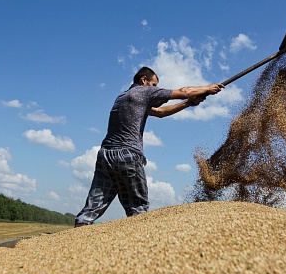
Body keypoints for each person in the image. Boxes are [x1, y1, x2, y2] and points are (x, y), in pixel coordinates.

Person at [74, 66, 224, 227]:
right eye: (154, 85)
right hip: (128, 154)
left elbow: (160, 112)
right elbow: (184, 90)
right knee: (138, 209)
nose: (156, 89)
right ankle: (138, 247)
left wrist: (187, 104)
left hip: (105, 155)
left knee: (92, 207)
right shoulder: (144, 92)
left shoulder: (123, 97)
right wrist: (208, 88)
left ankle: (77, 234)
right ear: (144, 80)